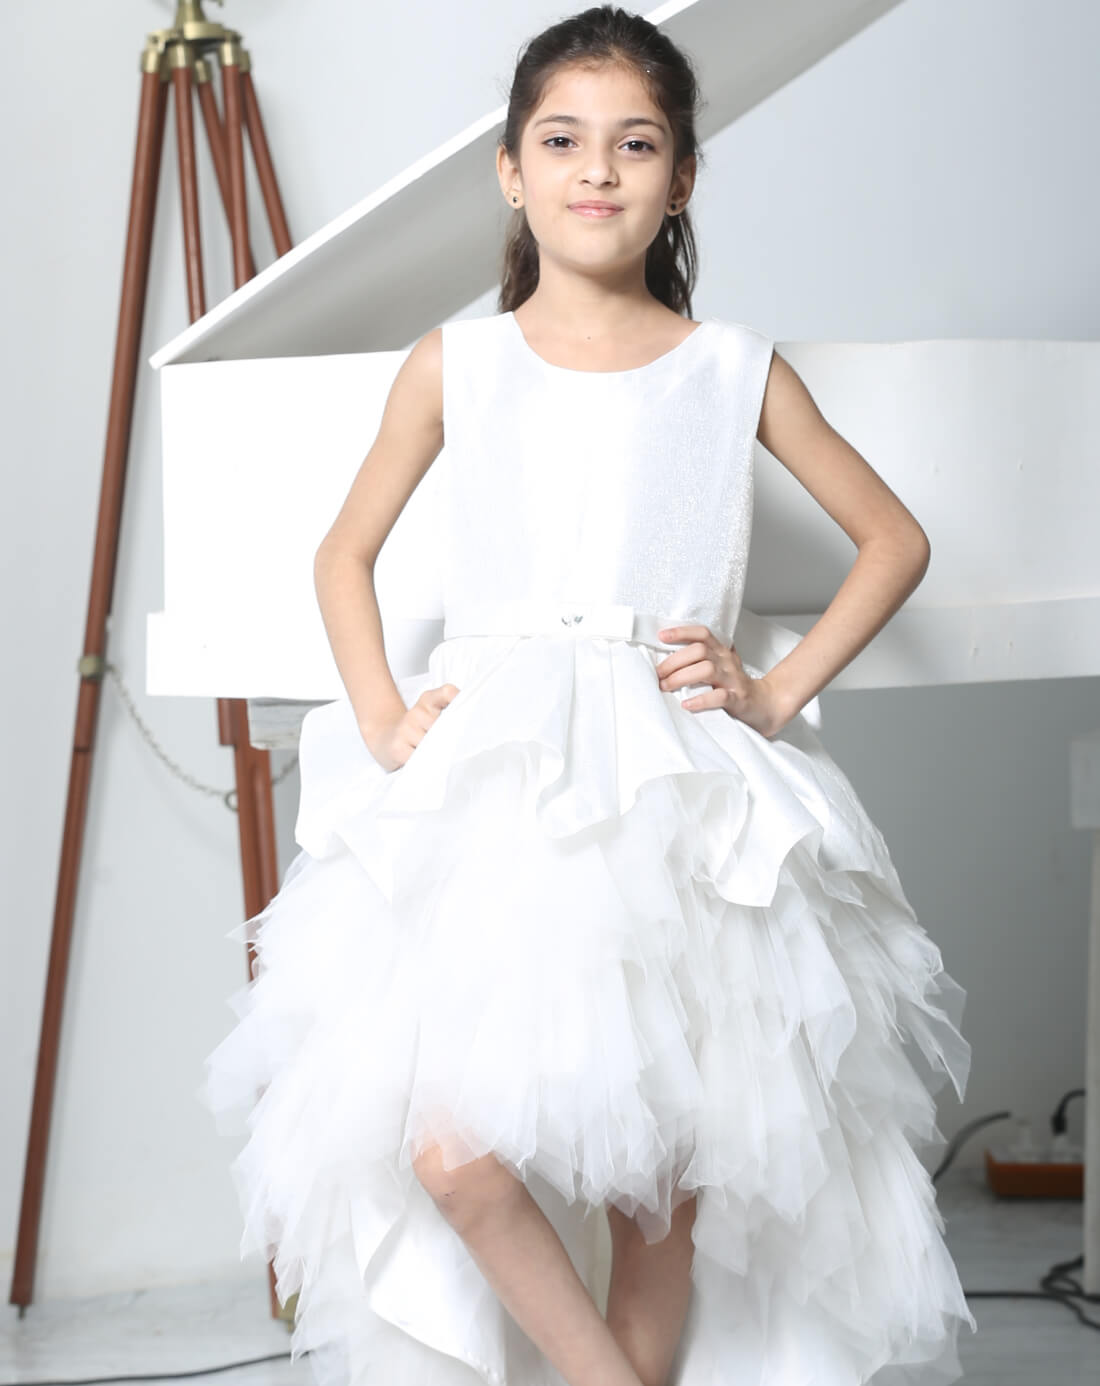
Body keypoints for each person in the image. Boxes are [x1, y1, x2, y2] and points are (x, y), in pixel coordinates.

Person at [201, 7, 977, 1385]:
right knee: (453, 1148)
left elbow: (895, 540)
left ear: (682, 178)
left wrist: (775, 690)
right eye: (561, 142)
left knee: (660, 1176)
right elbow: (340, 555)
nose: (597, 170)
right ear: (512, 172)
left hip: (676, 788)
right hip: (500, 787)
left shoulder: (732, 367)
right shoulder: (458, 364)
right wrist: (380, 717)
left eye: (636, 144)